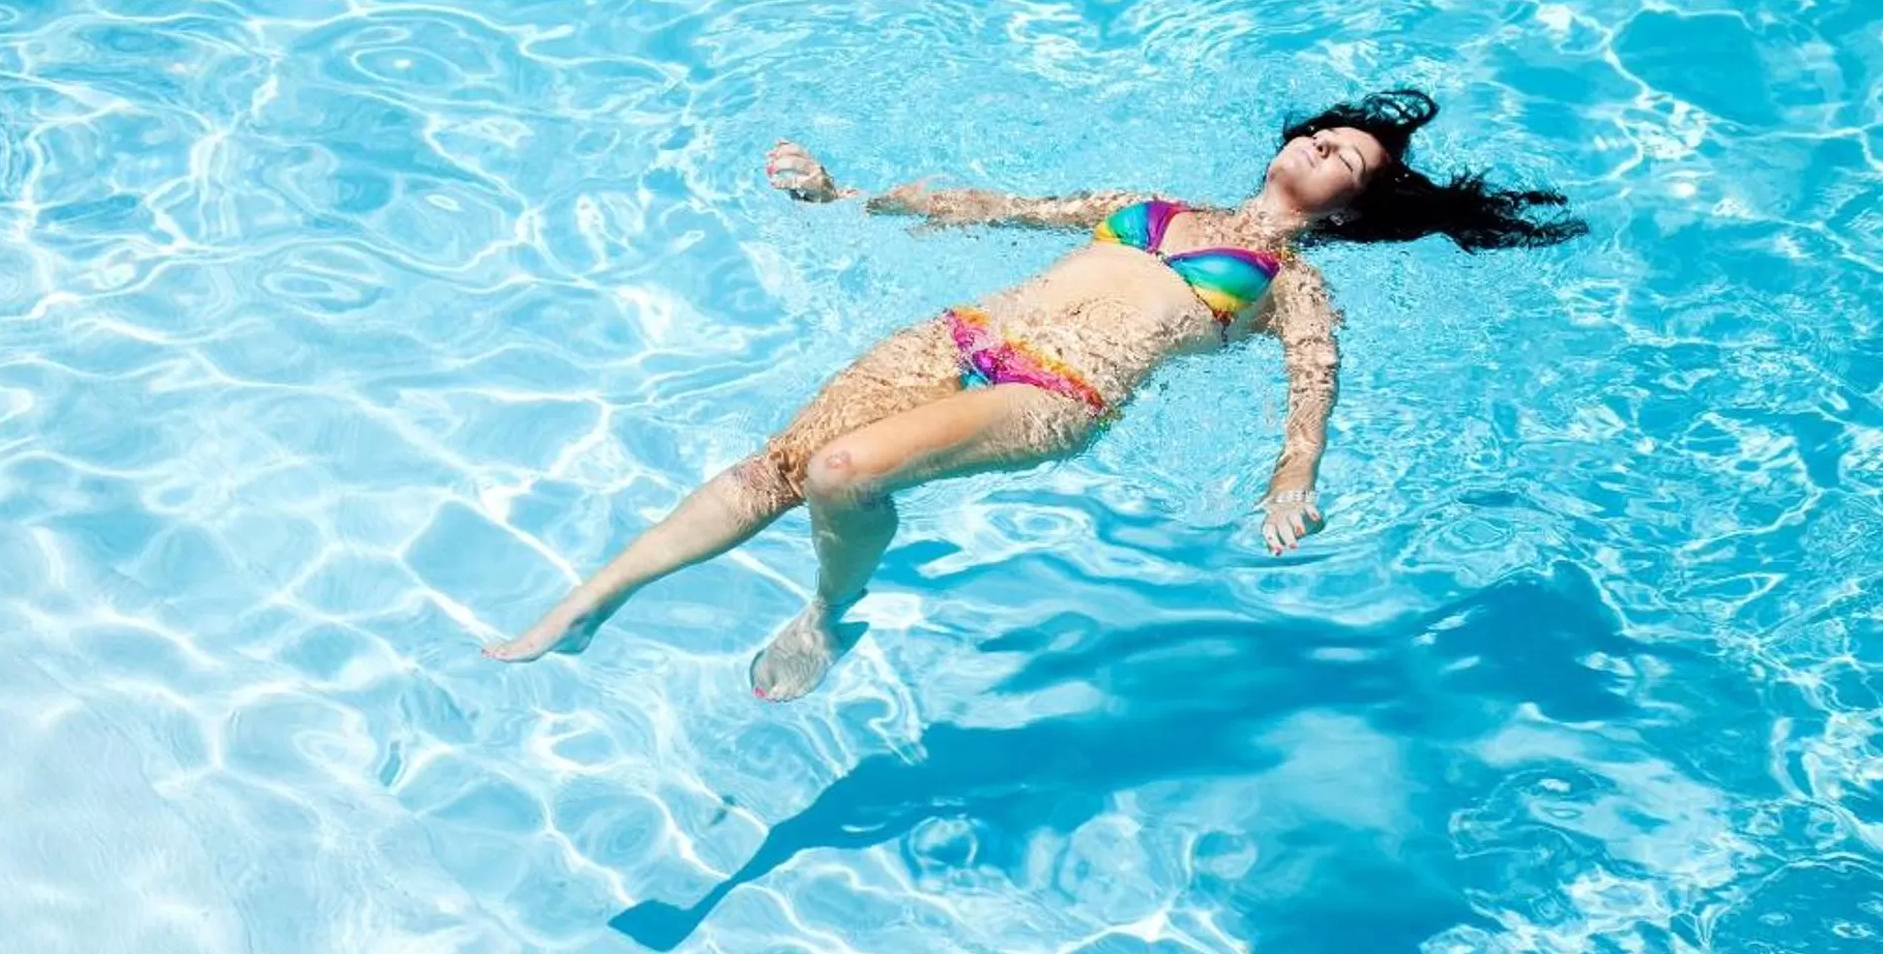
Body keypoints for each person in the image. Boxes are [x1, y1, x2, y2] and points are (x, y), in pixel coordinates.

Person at [486, 88, 1585, 700]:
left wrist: (1292, 479)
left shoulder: (1294, 285)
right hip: (960, 335)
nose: (1316, 142)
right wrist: (840, 195)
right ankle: (590, 605)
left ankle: (826, 613)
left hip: (1058, 389)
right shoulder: (1148, 203)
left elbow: (1313, 387)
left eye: (1341, 152)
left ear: (1352, 206)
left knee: (841, 471)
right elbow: (992, 208)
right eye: (1316, 129)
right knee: (773, 470)